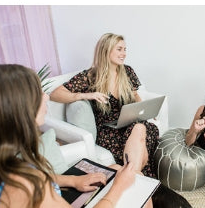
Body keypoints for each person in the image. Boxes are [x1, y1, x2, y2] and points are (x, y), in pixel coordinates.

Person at [0, 63, 138, 208]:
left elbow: (40, 177)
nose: (46, 96)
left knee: (116, 168)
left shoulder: (9, 165)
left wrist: (72, 180)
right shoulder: (26, 187)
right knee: (131, 186)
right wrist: (119, 187)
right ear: (18, 111)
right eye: (38, 93)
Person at [48, 34, 159, 178]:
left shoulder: (127, 71)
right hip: (109, 130)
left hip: (131, 122)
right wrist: (85, 95)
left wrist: (145, 108)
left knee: (140, 127)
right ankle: (137, 178)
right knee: (140, 142)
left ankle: (130, 177)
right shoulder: (91, 76)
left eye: (125, 49)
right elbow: (55, 94)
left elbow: (135, 95)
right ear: (106, 50)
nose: (124, 53)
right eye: (119, 49)